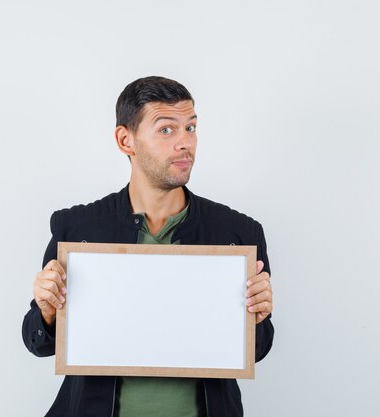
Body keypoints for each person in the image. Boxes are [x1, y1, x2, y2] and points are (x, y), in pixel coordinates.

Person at [22, 76, 274, 417]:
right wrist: (48, 310)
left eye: (191, 127)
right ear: (126, 140)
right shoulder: (78, 229)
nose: (185, 143)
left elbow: (257, 349)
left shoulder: (238, 233)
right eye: (167, 130)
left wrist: (258, 318)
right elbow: (37, 341)